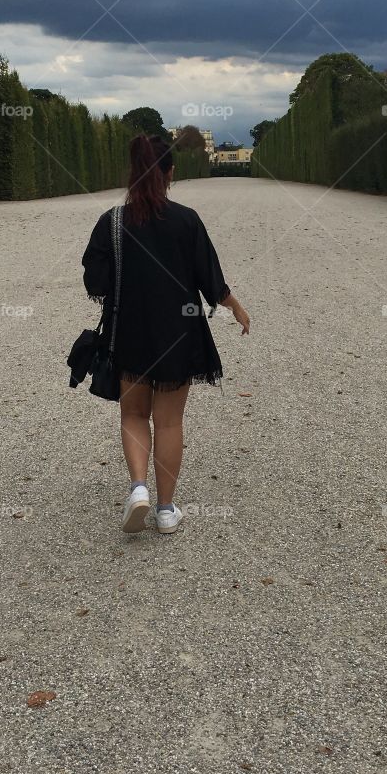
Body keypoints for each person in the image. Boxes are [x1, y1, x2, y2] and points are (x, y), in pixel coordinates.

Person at [82, 133, 250, 534]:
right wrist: (237, 308)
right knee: (170, 422)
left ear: (133, 173)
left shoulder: (112, 222)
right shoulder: (186, 219)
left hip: (130, 333)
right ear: (170, 174)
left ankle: (137, 488)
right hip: (178, 333)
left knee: (134, 414)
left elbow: (96, 281)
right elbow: (211, 279)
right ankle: (165, 510)